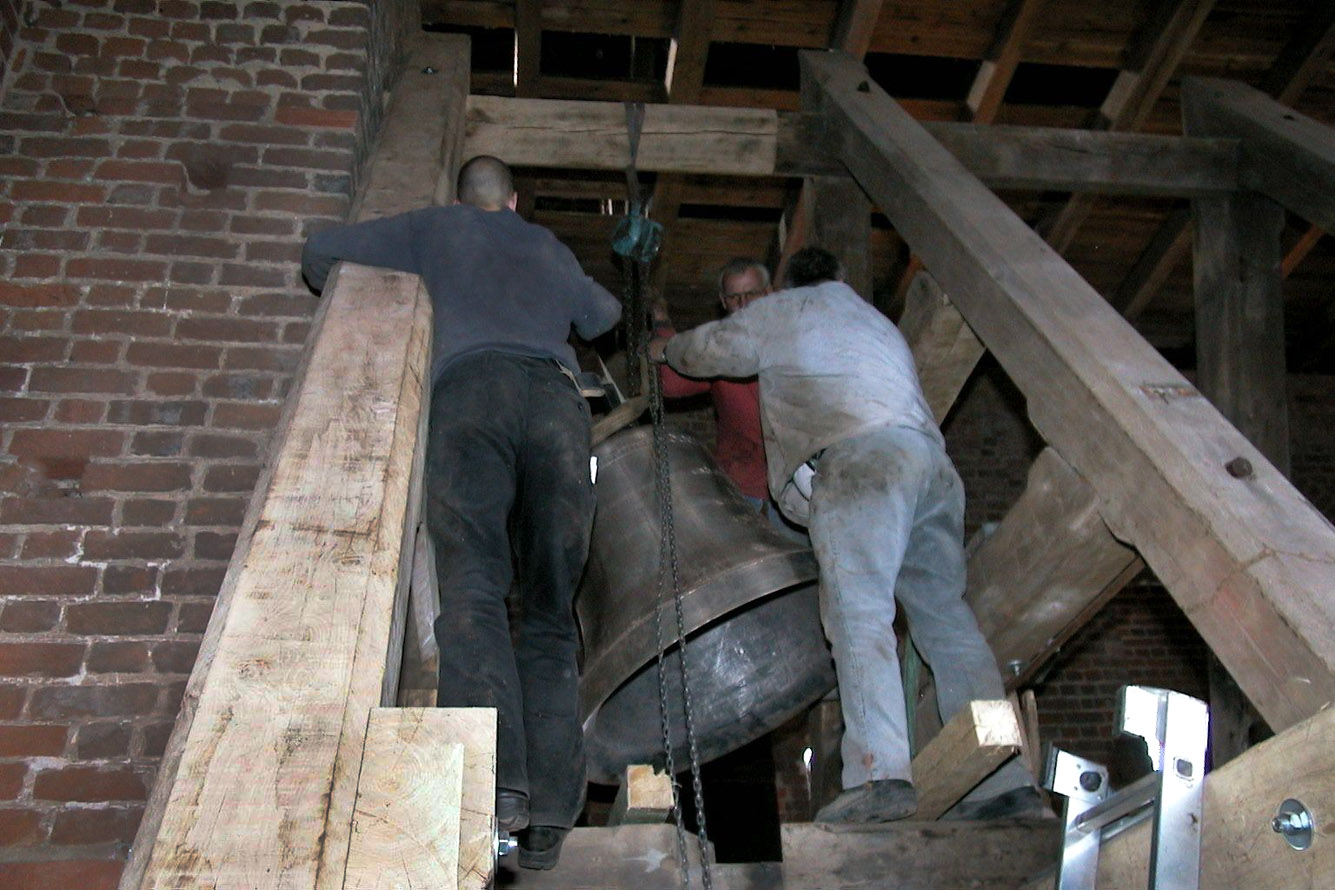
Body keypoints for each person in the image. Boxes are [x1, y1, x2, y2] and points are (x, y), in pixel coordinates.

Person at [302, 155, 621, 868]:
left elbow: (321, 251)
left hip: (471, 395)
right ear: (513, 200)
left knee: (474, 591)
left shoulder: (437, 227)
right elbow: (604, 315)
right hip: (557, 408)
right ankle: (550, 818)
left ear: (462, 197)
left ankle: (494, 782)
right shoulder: (546, 244)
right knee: (550, 616)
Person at [659, 246, 1040, 823]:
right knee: (948, 622)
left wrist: (666, 345)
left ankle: (878, 775)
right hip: (932, 469)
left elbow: (704, 351)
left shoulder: (785, 310)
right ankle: (1004, 779)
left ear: (786, 286)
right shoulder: (876, 322)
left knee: (859, 615)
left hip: (862, 467)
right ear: (838, 277)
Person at [649, 258, 771, 508]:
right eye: (734, 297)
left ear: (768, 293)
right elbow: (672, 385)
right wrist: (662, 324)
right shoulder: (715, 347)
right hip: (741, 480)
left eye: (752, 294)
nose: (744, 304)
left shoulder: (794, 337)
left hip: (793, 483)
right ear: (723, 301)